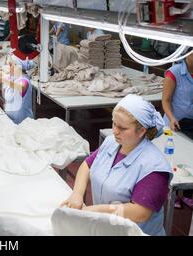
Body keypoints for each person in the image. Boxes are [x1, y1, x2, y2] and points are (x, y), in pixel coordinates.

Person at [60, 94, 172, 236]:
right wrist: (76, 194)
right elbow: (87, 165)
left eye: (122, 128)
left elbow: (140, 213)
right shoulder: (111, 143)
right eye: (114, 124)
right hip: (107, 228)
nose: (115, 131)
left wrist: (93, 211)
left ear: (142, 131)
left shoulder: (154, 167)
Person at [0, 55, 34, 124]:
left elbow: (20, 87)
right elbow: (1, 74)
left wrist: (4, 80)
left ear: (19, 67)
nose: (8, 68)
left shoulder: (24, 81)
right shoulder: (13, 78)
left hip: (23, 122)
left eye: (11, 65)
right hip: (11, 120)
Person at [162, 51, 193, 139]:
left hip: (190, 126)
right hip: (174, 123)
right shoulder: (174, 72)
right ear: (188, 54)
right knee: (171, 146)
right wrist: (172, 118)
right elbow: (166, 100)